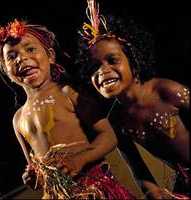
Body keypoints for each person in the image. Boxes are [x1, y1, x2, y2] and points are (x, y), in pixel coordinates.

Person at [0, 19, 136, 199]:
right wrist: (33, 177)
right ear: (6, 71)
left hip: (96, 188)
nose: (22, 58)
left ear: (50, 56)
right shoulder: (18, 119)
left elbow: (109, 136)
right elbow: (36, 167)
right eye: (12, 56)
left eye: (30, 49)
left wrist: (80, 160)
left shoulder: (69, 93)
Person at [76, 0, 190, 198]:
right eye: (94, 67)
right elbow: (138, 169)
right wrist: (152, 192)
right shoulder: (115, 121)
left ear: (134, 61)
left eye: (112, 60)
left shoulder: (167, 92)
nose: (103, 71)